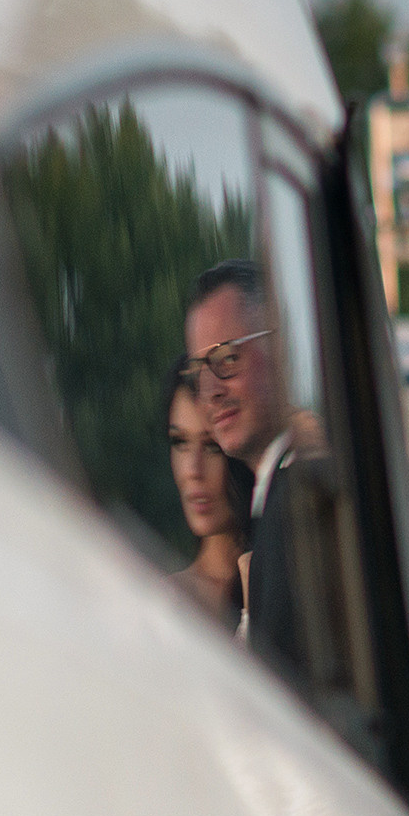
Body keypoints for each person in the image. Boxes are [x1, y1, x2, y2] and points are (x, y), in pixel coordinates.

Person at [182, 259, 309, 681]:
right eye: (199, 370)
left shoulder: (301, 506)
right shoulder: (275, 504)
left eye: (227, 359)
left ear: (281, 350)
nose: (212, 390)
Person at [162, 361, 247, 627]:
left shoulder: (291, 571)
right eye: (180, 442)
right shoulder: (166, 602)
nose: (192, 471)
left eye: (211, 446)